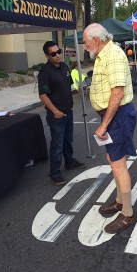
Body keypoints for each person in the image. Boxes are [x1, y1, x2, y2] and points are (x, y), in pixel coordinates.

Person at [83, 23, 137, 234]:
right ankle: (118, 201)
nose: (85, 47)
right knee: (114, 161)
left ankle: (127, 213)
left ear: (96, 40)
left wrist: (104, 125)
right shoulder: (103, 54)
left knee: (117, 164)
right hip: (113, 115)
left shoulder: (113, 54)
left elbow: (117, 93)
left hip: (118, 116)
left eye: (87, 43)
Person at [38, 41, 86, 186]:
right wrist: (55, 111)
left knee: (67, 140)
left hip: (68, 111)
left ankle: (70, 162)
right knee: (57, 144)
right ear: (47, 55)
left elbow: (70, 83)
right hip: (56, 114)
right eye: (53, 54)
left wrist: (78, 86)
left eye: (58, 51)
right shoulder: (45, 72)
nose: (58, 55)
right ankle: (55, 172)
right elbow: (43, 95)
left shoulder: (64, 66)